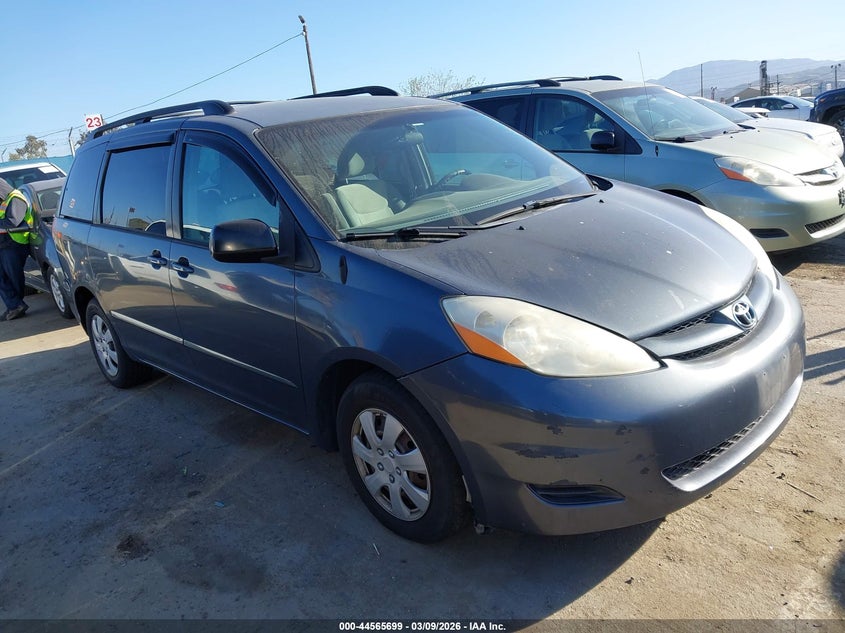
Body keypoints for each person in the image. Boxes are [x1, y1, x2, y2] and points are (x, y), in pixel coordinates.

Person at [0, 177, 34, 321]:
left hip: (15, 244)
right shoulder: (4, 200)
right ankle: (14, 305)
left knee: (14, 277)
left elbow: (12, 222)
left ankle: (16, 305)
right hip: (4, 245)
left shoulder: (16, 198)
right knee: (2, 278)